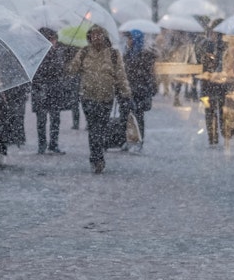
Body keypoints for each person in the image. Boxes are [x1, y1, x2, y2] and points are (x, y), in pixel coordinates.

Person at [68, 25, 131, 174]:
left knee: (100, 128)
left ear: (104, 36)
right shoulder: (83, 53)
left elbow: (121, 76)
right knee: (93, 128)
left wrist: (126, 92)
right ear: (89, 37)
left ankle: (97, 155)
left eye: (99, 34)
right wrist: (68, 57)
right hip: (88, 96)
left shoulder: (114, 54)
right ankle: (97, 158)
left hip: (106, 97)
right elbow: (71, 70)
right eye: (94, 35)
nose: (97, 37)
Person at [31, 28, 68, 154]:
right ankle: (42, 145)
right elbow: (36, 74)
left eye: (55, 39)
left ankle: (53, 144)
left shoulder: (58, 52)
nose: (55, 42)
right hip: (41, 90)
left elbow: (61, 71)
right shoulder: (38, 54)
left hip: (54, 90)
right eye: (52, 39)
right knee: (42, 120)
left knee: (55, 119)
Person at [194, 18, 226, 145]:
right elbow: (199, 60)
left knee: (215, 110)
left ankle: (215, 135)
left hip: (214, 85)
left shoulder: (222, 47)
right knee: (212, 110)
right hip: (211, 85)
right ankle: (213, 135)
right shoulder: (207, 45)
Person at [122, 30, 156, 144]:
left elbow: (150, 73)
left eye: (130, 38)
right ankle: (130, 139)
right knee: (128, 116)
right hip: (129, 89)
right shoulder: (128, 53)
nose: (128, 41)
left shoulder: (145, 55)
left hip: (140, 90)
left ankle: (139, 139)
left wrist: (151, 87)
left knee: (138, 116)